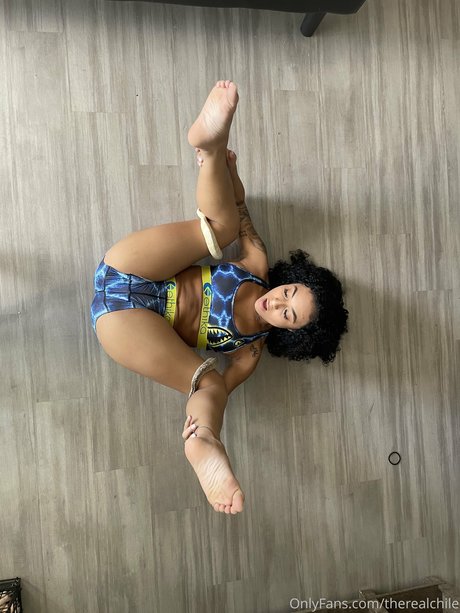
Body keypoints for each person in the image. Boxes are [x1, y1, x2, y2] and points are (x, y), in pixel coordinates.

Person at [90, 80, 348, 515]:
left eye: (288, 315)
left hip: (126, 328)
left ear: (291, 334)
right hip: (130, 266)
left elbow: (215, 394)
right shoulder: (256, 264)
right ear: (289, 280)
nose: (277, 303)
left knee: (208, 383)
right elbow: (240, 208)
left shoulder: (249, 352)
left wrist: (206, 420)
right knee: (223, 229)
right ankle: (207, 144)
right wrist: (228, 168)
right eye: (288, 293)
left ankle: (203, 443)